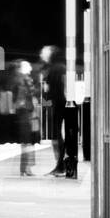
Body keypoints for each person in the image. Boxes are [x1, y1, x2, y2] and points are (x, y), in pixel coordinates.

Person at [38, 45, 67, 176]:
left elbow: (50, 90)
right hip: (60, 104)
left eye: (44, 52)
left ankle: (61, 166)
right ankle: (60, 165)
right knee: (56, 135)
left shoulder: (56, 68)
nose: (41, 54)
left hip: (59, 104)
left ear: (51, 54)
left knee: (57, 135)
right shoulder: (57, 67)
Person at [8, 59, 38, 176]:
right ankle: (26, 168)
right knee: (28, 141)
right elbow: (31, 93)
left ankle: (24, 168)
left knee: (26, 142)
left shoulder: (16, 78)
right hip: (26, 112)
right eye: (29, 65)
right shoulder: (25, 79)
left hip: (22, 112)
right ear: (24, 68)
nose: (31, 67)